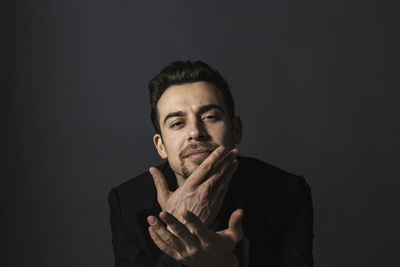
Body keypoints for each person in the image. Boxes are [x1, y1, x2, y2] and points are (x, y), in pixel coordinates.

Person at [108, 60, 314, 267]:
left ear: (236, 130)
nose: (195, 132)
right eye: (177, 123)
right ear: (160, 146)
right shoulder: (126, 203)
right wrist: (180, 233)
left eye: (210, 117)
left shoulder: (288, 192)